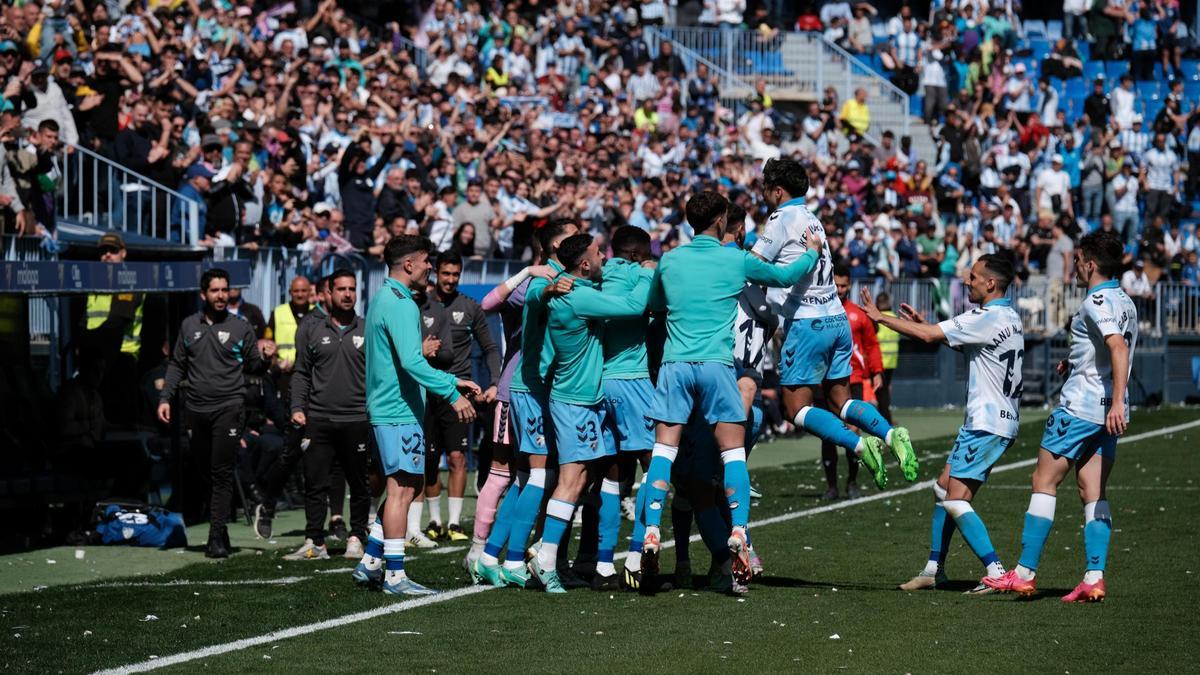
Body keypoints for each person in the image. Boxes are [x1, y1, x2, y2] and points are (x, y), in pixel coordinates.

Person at [638, 189, 822, 592]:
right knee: (733, 450)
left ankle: (651, 530)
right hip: (717, 367)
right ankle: (738, 529)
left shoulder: (669, 260)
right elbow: (787, 277)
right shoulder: (736, 259)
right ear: (721, 221)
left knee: (663, 451)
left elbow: (653, 306)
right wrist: (810, 252)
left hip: (674, 365)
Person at [751, 158, 916, 504]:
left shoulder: (781, 218)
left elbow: (754, 264)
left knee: (795, 409)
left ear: (777, 190)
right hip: (837, 319)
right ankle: (889, 433)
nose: (764, 195)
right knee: (841, 401)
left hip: (806, 324)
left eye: (766, 188)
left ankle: (859, 444)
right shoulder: (813, 219)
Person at [984, 231, 1137, 601]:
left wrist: (1114, 400)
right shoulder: (1126, 301)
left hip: (1081, 408)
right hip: (1106, 414)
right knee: (1093, 490)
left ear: (1090, 263)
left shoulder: (1096, 300)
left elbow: (1116, 346)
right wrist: (1080, 364)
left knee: (1044, 480)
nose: (1076, 268)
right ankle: (1094, 577)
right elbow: (1109, 349)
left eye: (1079, 260)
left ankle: (1022, 573)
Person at [862, 255, 1023, 593]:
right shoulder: (1009, 316)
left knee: (955, 500)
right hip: (999, 422)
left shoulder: (986, 315)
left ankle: (997, 571)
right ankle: (934, 569)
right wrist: (931, 328)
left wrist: (881, 318)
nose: (968, 281)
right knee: (942, 489)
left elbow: (928, 337)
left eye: (974, 277)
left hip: (985, 423)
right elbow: (965, 342)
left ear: (991, 284)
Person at [525, 233, 652, 592]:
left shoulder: (567, 291)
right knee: (571, 479)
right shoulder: (578, 297)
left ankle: (549, 554)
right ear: (584, 264)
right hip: (574, 402)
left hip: (583, 399)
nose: (604, 259)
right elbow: (632, 307)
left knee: (580, 479)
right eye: (599, 254)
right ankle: (545, 557)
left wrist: (544, 289)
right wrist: (645, 272)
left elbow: (535, 294)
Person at [353, 235, 479, 596]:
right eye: (426, 261)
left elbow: (401, 358)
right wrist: (451, 393)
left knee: (410, 485)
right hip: (397, 409)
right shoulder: (402, 304)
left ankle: (371, 561)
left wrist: (452, 378)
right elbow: (411, 361)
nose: (430, 268)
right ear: (409, 264)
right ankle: (394, 575)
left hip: (393, 406)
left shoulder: (384, 299)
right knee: (401, 489)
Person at [474, 219, 579, 588]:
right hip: (523, 388)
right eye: (571, 234)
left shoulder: (566, 275)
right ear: (553, 246)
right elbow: (490, 302)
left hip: (541, 388)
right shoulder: (541, 278)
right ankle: (509, 556)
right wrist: (531, 277)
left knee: (524, 477)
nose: (580, 238)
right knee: (528, 474)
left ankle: (491, 555)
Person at [158, 268, 274, 558]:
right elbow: (176, 365)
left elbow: (254, 368)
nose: (221, 295)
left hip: (229, 408)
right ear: (203, 294)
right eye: (215, 290)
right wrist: (165, 398)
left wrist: (266, 360)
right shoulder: (188, 326)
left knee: (221, 472)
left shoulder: (240, 327)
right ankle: (220, 527)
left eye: (225, 289)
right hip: (196, 409)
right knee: (204, 471)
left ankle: (215, 537)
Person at [284, 270, 371, 562]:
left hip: (357, 418)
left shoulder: (368, 328)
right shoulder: (311, 329)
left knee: (359, 483)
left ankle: (357, 537)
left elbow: (379, 375)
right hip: (318, 419)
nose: (347, 294)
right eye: (341, 289)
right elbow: (301, 374)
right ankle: (314, 541)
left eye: (352, 289)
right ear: (327, 294)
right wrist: (297, 407)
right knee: (315, 483)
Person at [424, 251, 502, 543]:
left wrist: (494, 381)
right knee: (429, 459)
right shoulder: (422, 306)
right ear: (436, 274)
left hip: (458, 393)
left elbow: (490, 348)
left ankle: (455, 523)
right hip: (426, 390)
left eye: (455, 275)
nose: (450, 280)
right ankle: (434, 520)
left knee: (458, 456)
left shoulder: (470, 307)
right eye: (446, 274)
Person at [599, 226, 660, 590]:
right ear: (638, 255)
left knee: (611, 475)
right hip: (634, 380)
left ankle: (604, 564)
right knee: (654, 466)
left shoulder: (598, 275)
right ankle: (637, 557)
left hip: (598, 383)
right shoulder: (643, 274)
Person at [820, 266, 884, 501]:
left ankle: (852, 482)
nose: (839, 289)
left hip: (853, 379)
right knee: (827, 433)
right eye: (836, 284)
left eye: (844, 285)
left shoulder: (857, 313)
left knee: (853, 432)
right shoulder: (820, 311)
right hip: (826, 380)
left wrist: (877, 371)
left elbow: (871, 344)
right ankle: (831, 486)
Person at [83, 232, 143, 425]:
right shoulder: (94, 280)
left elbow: (117, 321)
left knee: (119, 417)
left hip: (121, 358)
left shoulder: (130, 279)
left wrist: (87, 340)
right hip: (96, 361)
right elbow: (84, 320)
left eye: (113, 251)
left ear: (123, 253)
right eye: (103, 251)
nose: (107, 255)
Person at [873, 292, 899, 424]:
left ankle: (885, 419)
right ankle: (886, 417)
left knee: (881, 393)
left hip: (880, 361)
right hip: (892, 361)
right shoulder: (895, 318)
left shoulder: (878, 319)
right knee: (886, 390)